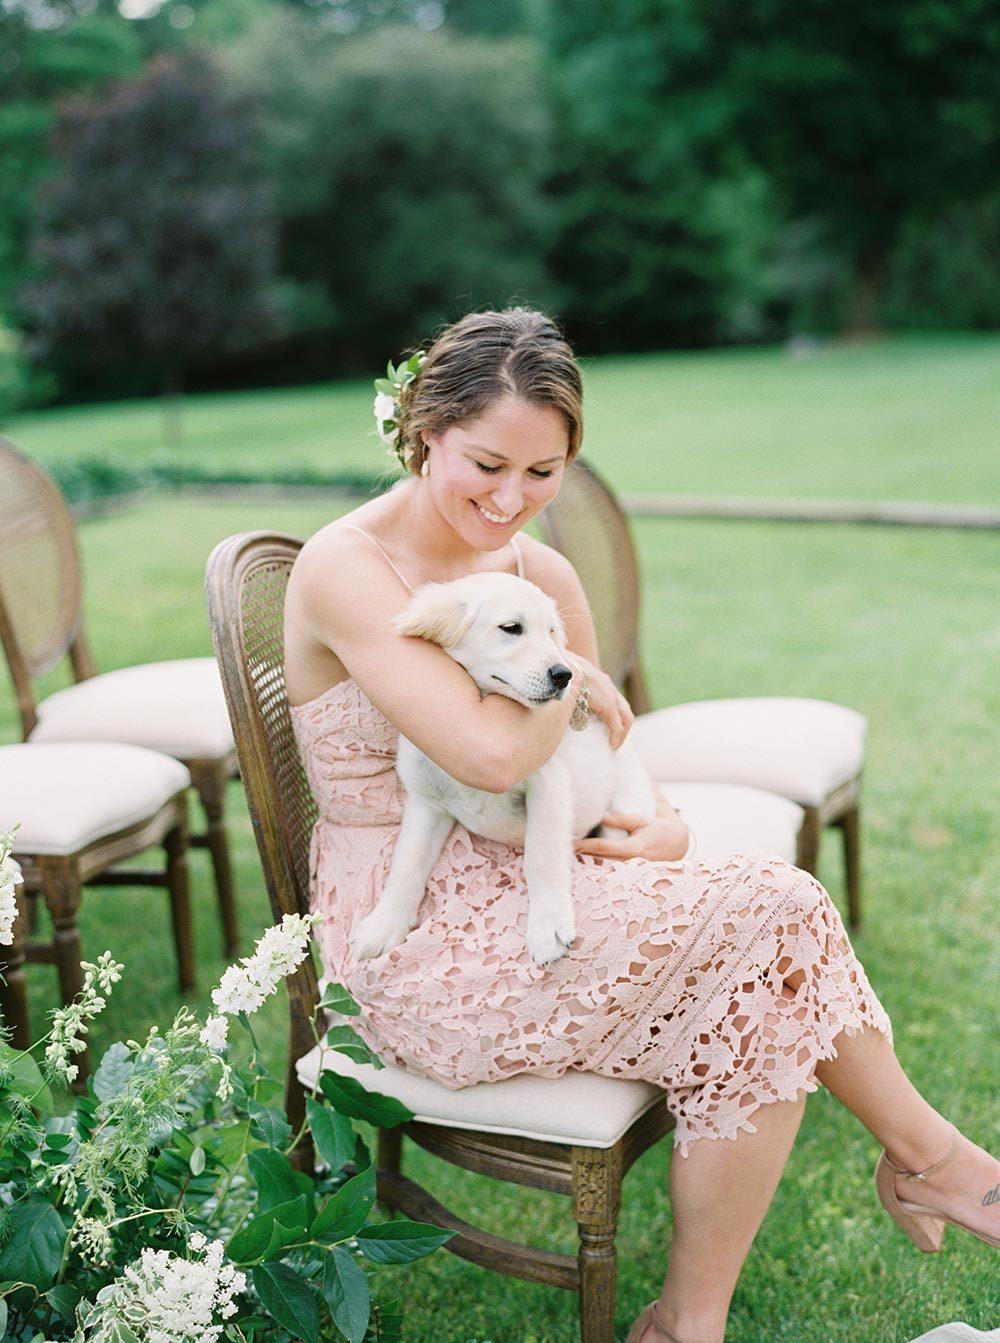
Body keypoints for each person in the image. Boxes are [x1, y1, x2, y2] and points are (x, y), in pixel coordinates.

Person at [282, 307, 999, 1343]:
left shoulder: (543, 576)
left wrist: (659, 825)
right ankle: (933, 1164)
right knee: (773, 920)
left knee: (766, 964)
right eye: (487, 462)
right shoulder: (347, 567)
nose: (510, 499)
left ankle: (689, 1322)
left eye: (544, 471)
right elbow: (484, 755)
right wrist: (567, 677)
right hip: (412, 934)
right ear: (424, 428)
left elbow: (608, 751)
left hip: (547, 878)